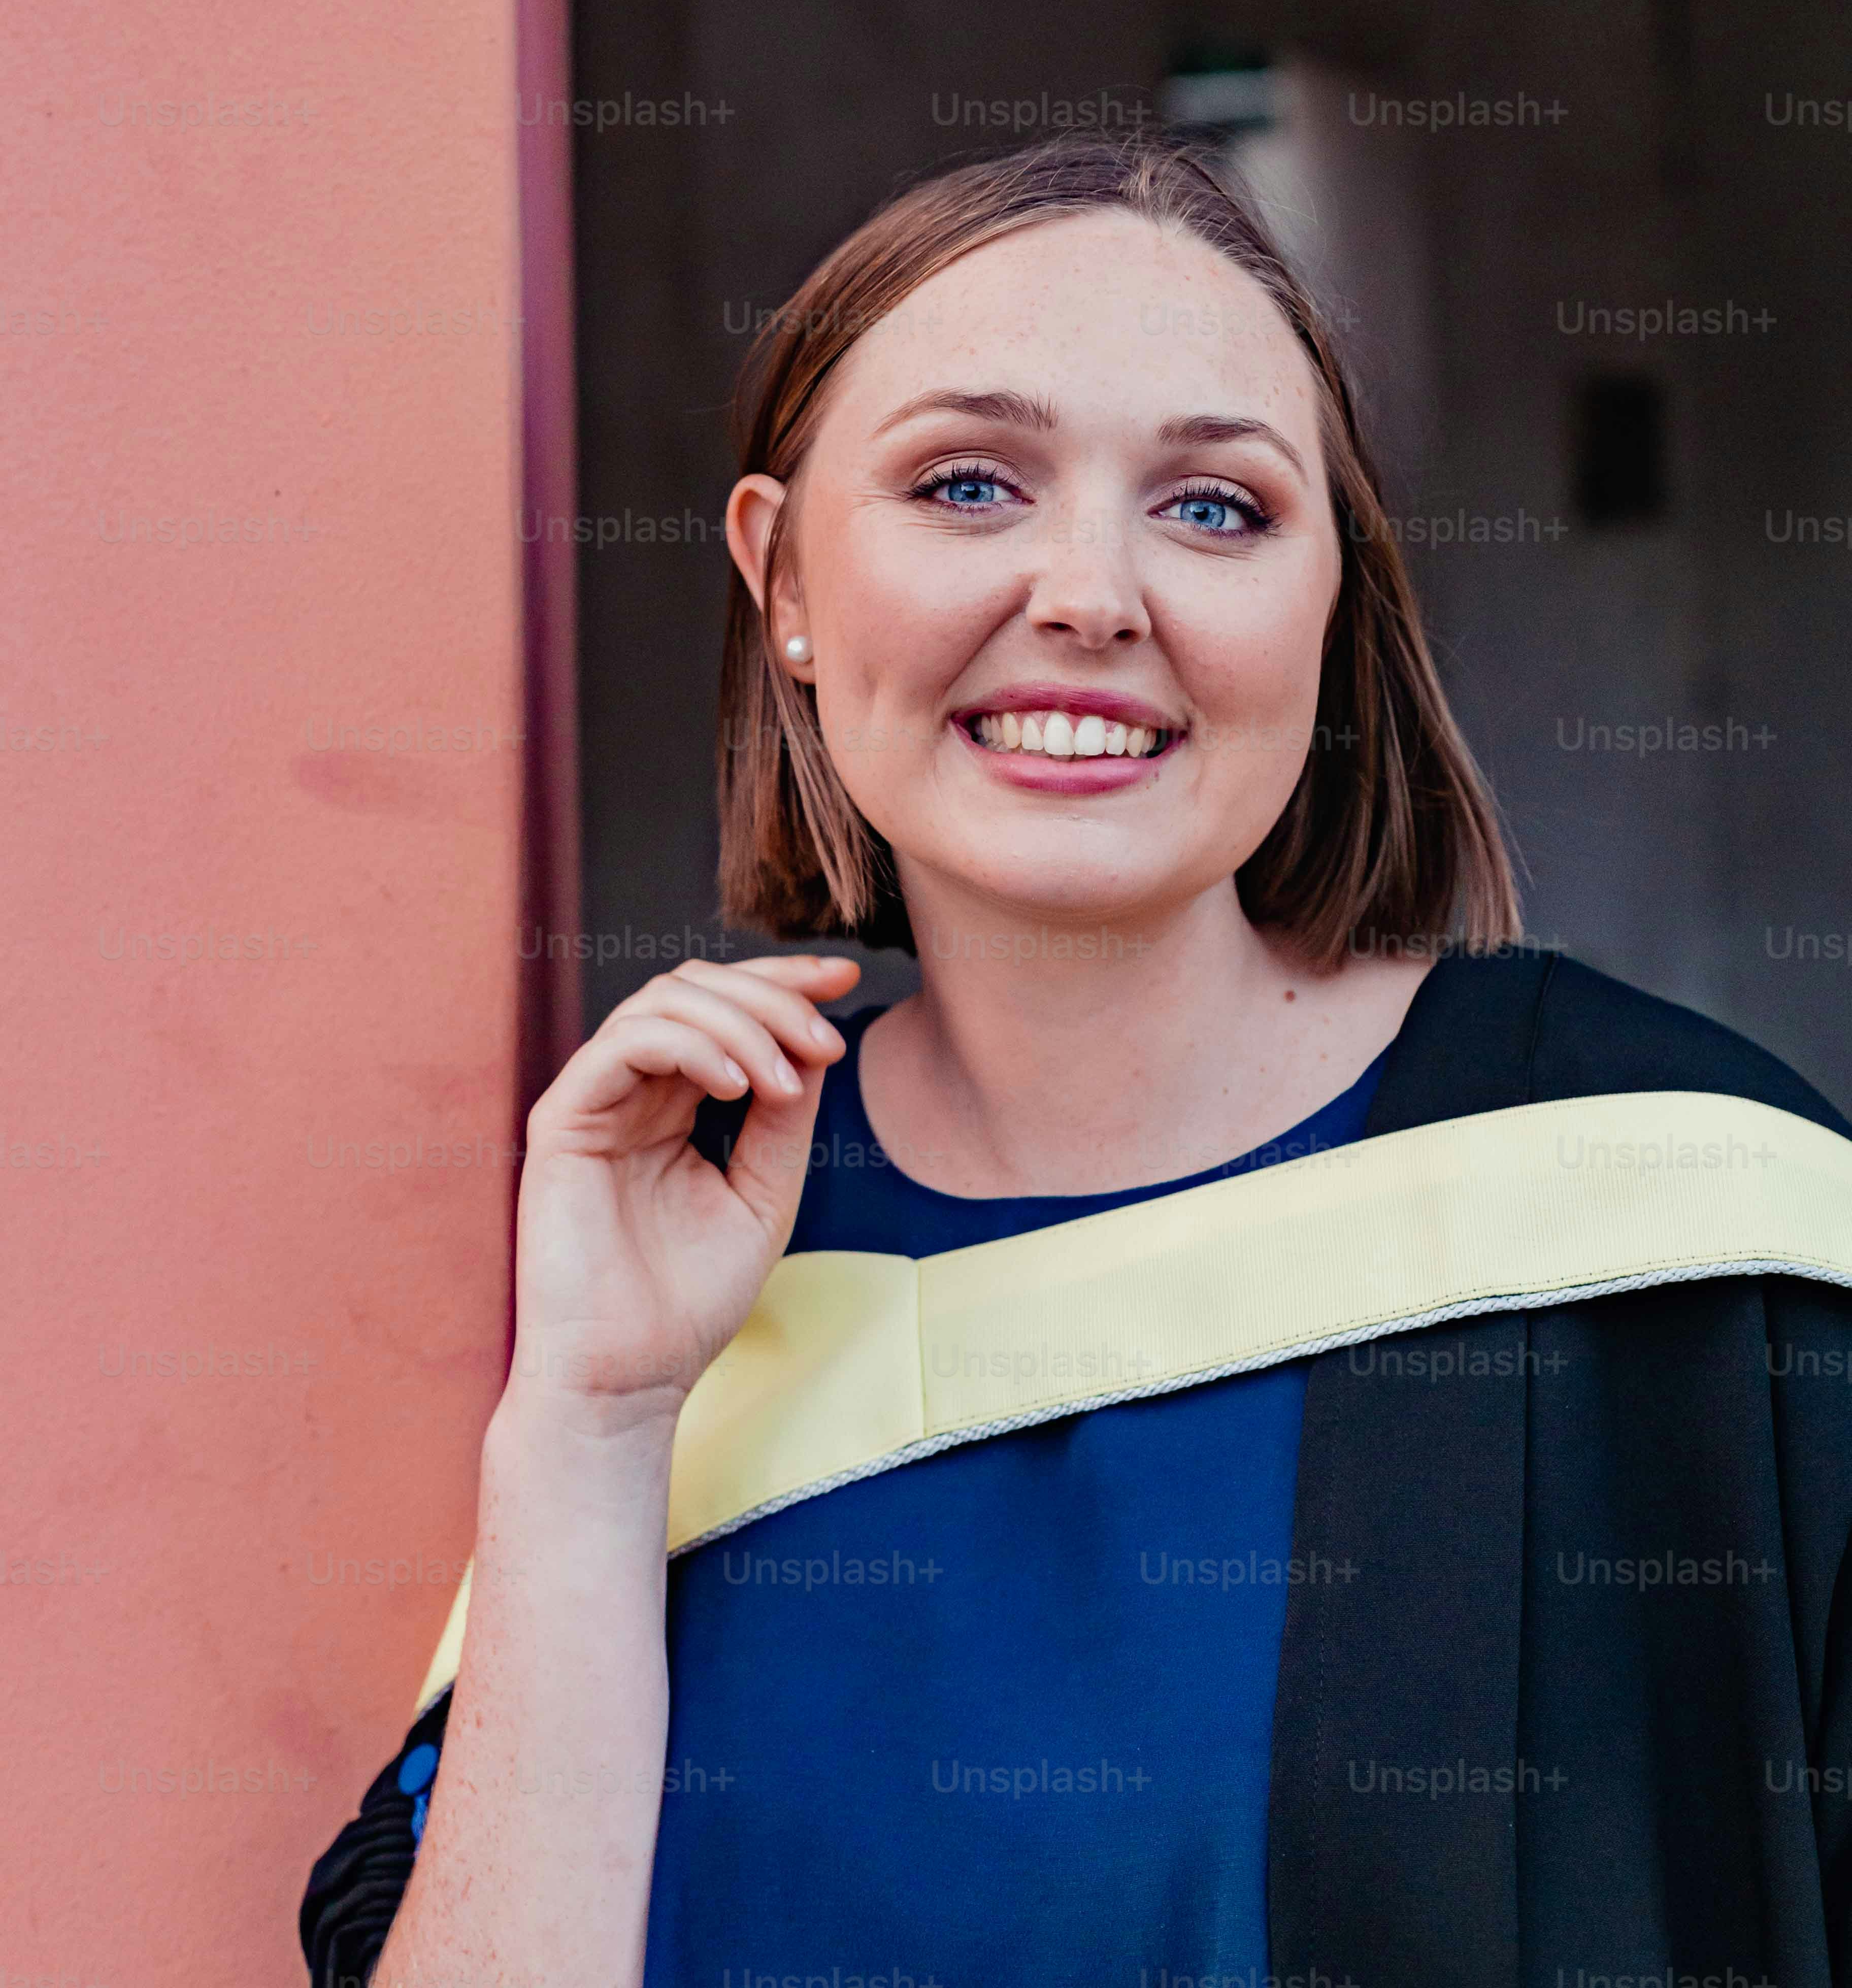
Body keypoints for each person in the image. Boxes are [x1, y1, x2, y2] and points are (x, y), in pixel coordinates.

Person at [301, 137, 1852, 1988]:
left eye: (1214, 510)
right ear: (780, 576)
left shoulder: (1689, 1231)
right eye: (970, 484)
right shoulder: (701, 1261)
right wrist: (591, 1428)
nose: (1091, 594)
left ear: (1330, 608)